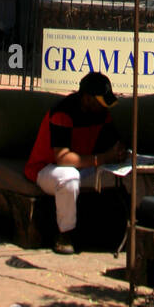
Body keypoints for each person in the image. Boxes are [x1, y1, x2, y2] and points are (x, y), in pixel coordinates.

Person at [24, 72, 127, 254]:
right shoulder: (63, 112)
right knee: (69, 177)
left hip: (86, 166)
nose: (104, 108)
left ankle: (139, 228)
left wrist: (120, 153)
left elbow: (112, 144)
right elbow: (62, 158)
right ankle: (65, 233)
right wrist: (103, 158)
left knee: (133, 171)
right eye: (101, 102)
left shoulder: (102, 114)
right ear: (87, 99)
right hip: (47, 169)